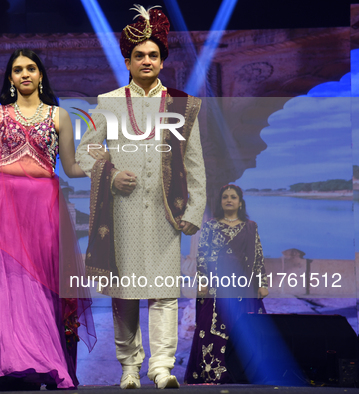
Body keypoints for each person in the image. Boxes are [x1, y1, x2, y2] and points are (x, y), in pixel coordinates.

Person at [76, 5, 207, 389]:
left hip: (167, 214)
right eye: (139, 56)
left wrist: (194, 211)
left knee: (165, 293)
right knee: (126, 294)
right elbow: (86, 151)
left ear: (162, 61)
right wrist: (111, 175)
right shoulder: (111, 102)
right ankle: (130, 367)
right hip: (123, 213)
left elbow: (195, 164)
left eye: (153, 55)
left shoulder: (183, 106)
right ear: (128, 61)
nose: (146, 60)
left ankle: (162, 367)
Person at [0, 49, 97, 390]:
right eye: (18, 70)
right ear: (10, 78)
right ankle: (10, 360)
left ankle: (47, 360)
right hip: (5, 199)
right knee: (7, 279)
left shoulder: (60, 115)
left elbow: (72, 168)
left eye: (31, 68)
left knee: (45, 281)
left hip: (45, 202)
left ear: (41, 75)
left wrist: (100, 164)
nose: (25, 74)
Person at [184, 184, 268, 384]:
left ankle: (244, 373)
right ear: (220, 202)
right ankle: (212, 374)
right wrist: (202, 281)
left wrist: (262, 283)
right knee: (211, 328)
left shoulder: (250, 226)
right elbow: (203, 256)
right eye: (225, 197)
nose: (229, 200)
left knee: (244, 328)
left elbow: (257, 257)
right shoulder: (211, 226)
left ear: (240, 202)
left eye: (233, 197)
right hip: (216, 287)